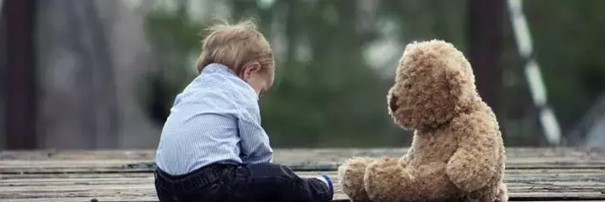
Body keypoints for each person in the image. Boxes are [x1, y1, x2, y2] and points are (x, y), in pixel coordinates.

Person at [154, 20, 333, 202]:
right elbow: (257, 151)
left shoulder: (193, 89)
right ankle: (320, 188)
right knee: (279, 178)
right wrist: (262, 179)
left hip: (165, 186)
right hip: (209, 185)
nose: (257, 97)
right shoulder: (240, 92)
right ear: (250, 70)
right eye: (260, 91)